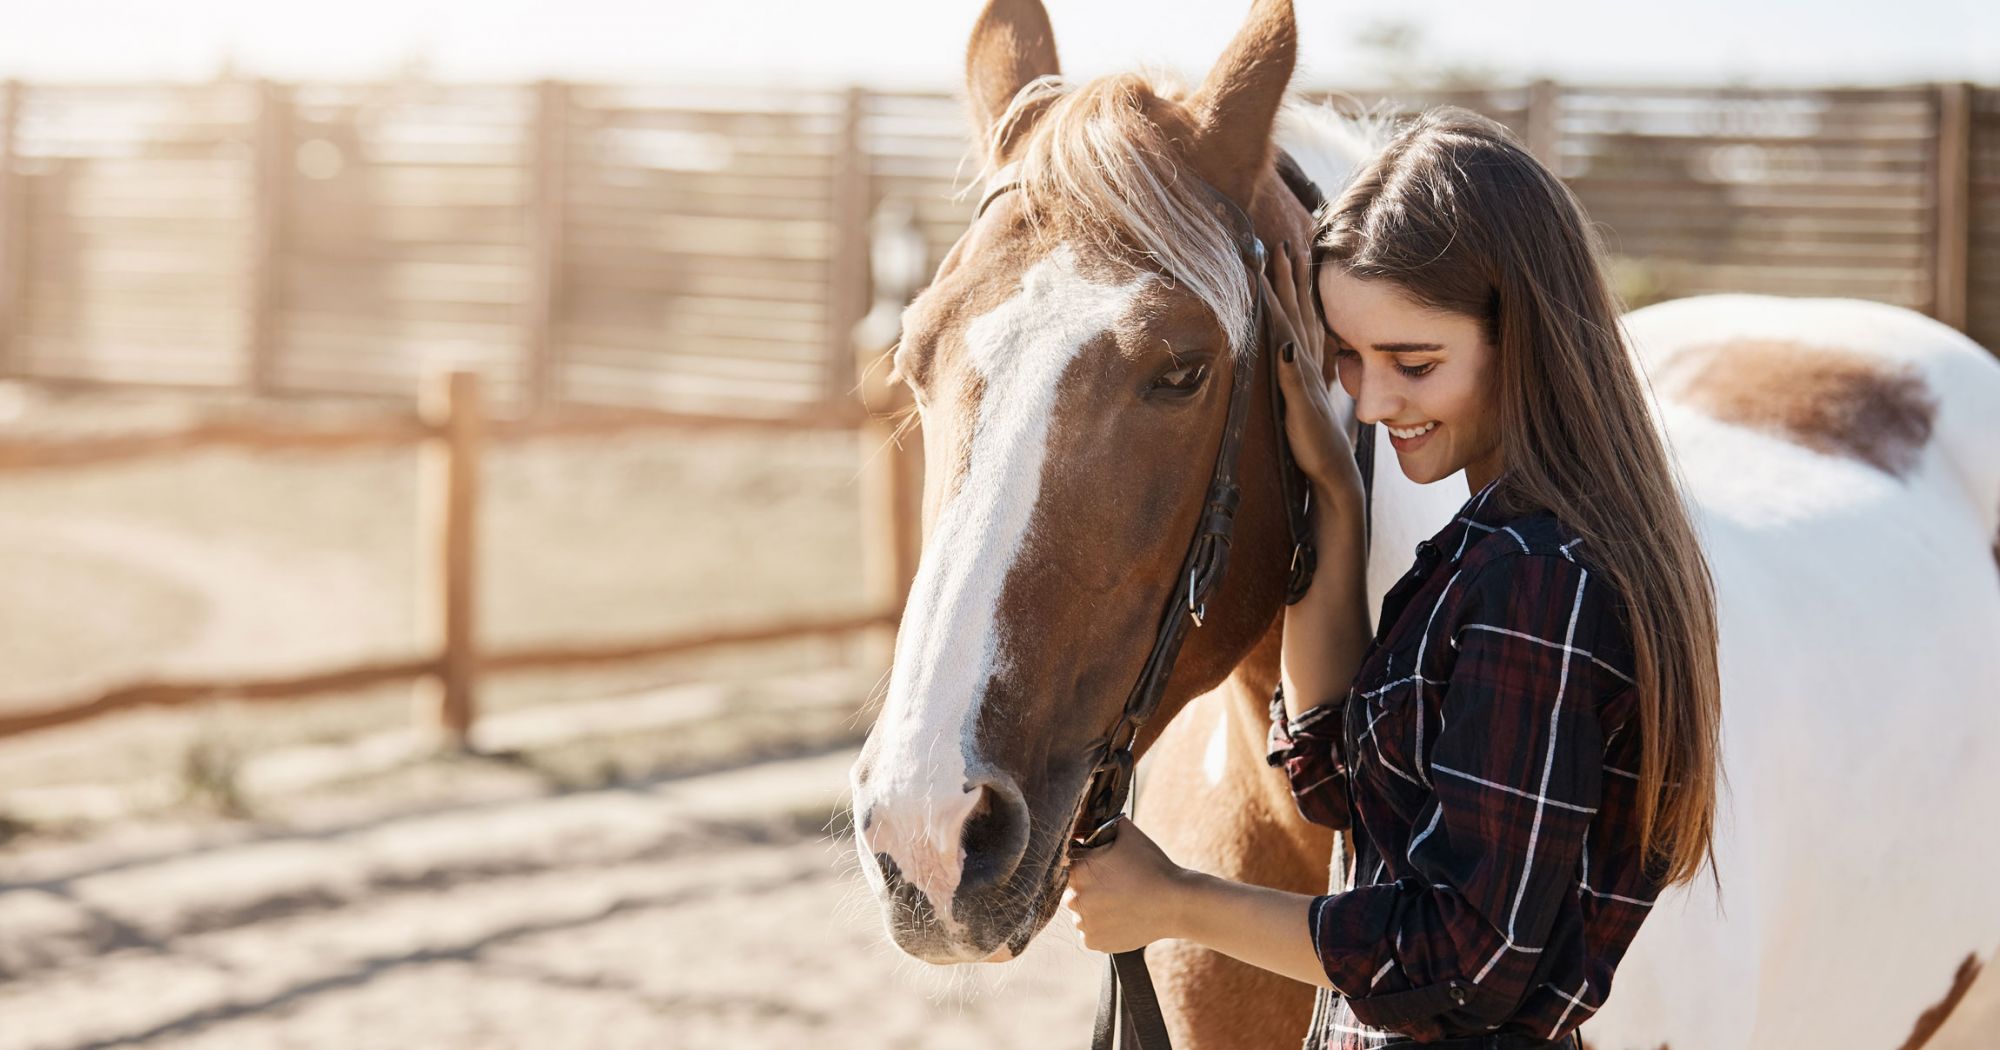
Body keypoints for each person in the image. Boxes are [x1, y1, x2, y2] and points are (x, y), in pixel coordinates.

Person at [1060, 107, 1724, 1050]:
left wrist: (1176, 902)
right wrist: (1333, 489)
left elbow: (1461, 962)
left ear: (1522, 334)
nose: (1372, 403)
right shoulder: (1481, 551)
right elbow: (1340, 784)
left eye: (1413, 363)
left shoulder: (1537, 586)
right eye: (1349, 359)